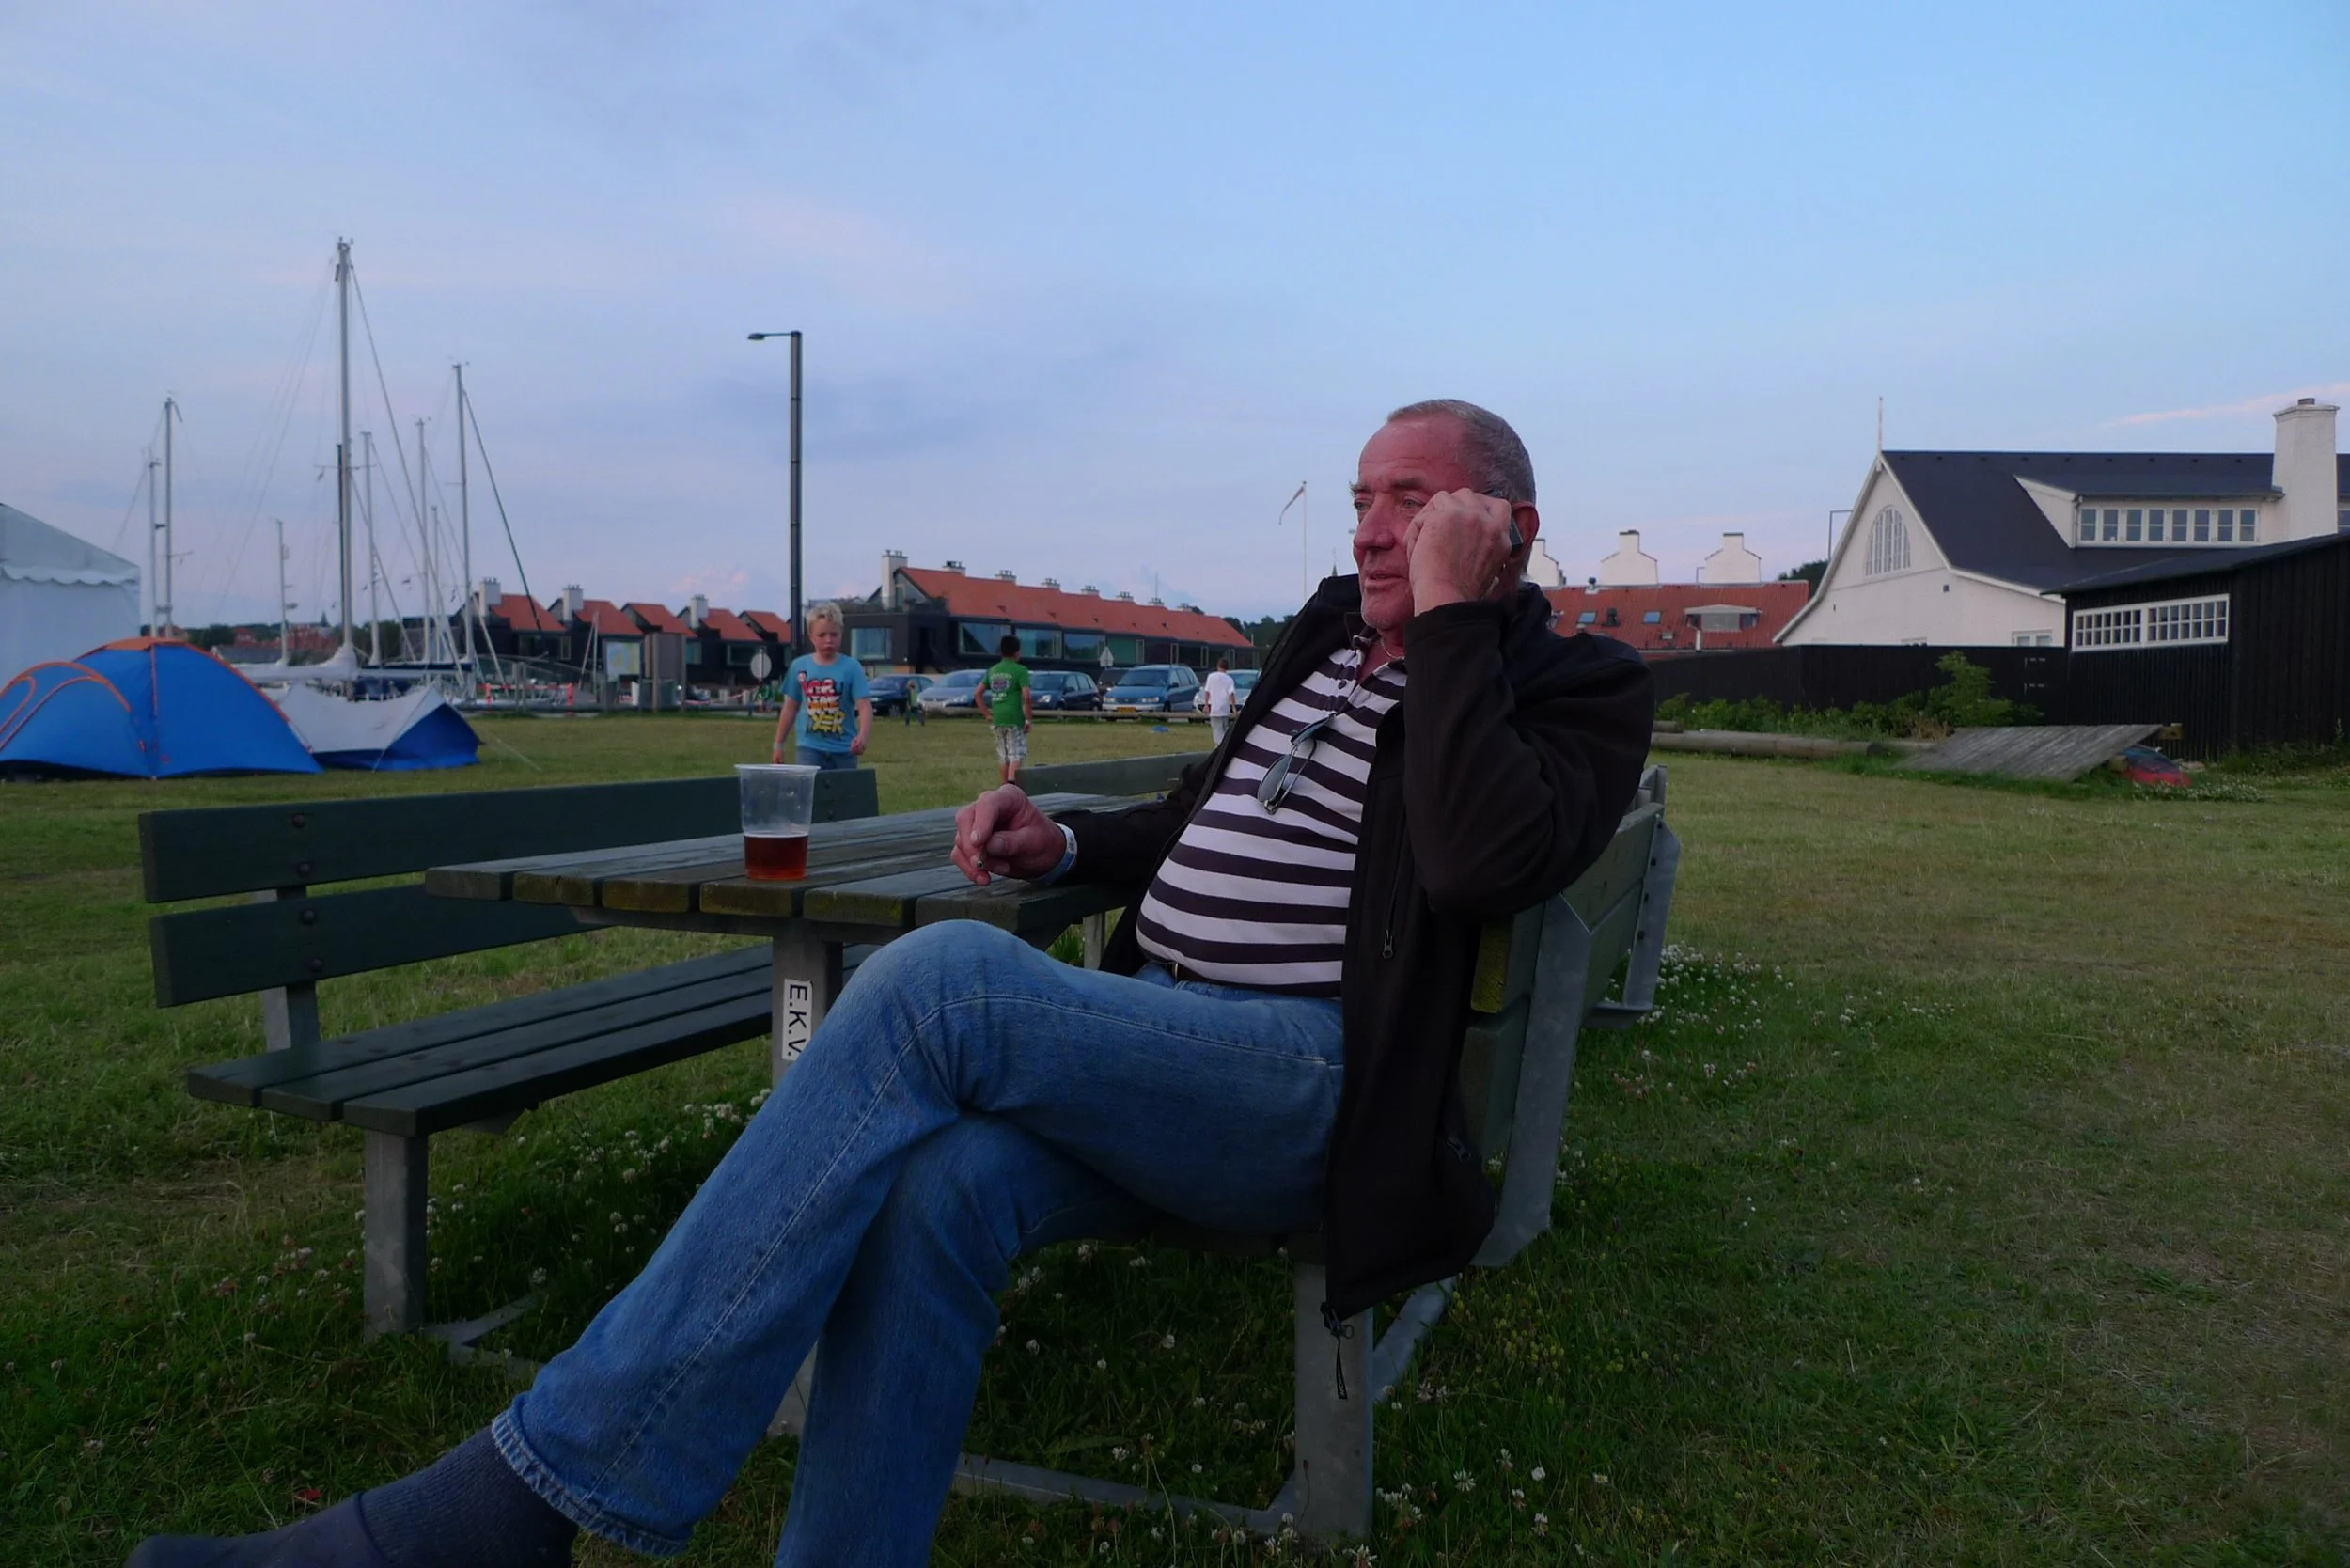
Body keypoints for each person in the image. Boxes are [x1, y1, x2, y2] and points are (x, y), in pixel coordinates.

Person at [128, 399, 1653, 1568]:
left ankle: (518, 1500)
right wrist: (1074, 838)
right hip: (1164, 1040)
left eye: (1411, 503)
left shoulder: (1575, 687)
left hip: (1313, 1085)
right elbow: (1210, 810)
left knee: (939, 985)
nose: (1373, 532)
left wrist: (1455, 622)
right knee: (936, 1190)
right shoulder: (1322, 639)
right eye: (1362, 499)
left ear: (1505, 525)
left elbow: (1476, 860)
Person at [770, 603, 871, 771]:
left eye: (834, 634)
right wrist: (779, 744)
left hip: (844, 750)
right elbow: (790, 707)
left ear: (841, 634)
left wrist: (863, 737)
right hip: (809, 749)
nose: (828, 640)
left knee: (845, 788)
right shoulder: (799, 667)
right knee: (809, 788)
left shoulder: (852, 667)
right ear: (811, 636)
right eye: (822, 635)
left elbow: (864, 706)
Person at [981, 634, 1032, 785]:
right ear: (1017, 652)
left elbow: (977, 693)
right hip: (1014, 718)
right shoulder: (1021, 670)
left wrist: (986, 714)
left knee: (1003, 755)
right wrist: (1028, 719)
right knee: (1016, 753)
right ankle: (1011, 785)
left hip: (997, 717)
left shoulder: (993, 670)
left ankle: (1004, 786)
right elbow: (1027, 696)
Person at [1199, 654, 1238, 745]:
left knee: (1217, 731)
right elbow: (1231, 694)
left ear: (1218, 666)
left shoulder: (1211, 677)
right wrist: (1234, 708)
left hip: (1215, 708)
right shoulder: (1229, 679)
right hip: (1225, 709)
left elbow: (1207, 691)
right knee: (1224, 730)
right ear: (1227, 668)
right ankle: (1223, 746)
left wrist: (1206, 705)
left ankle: (1221, 747)